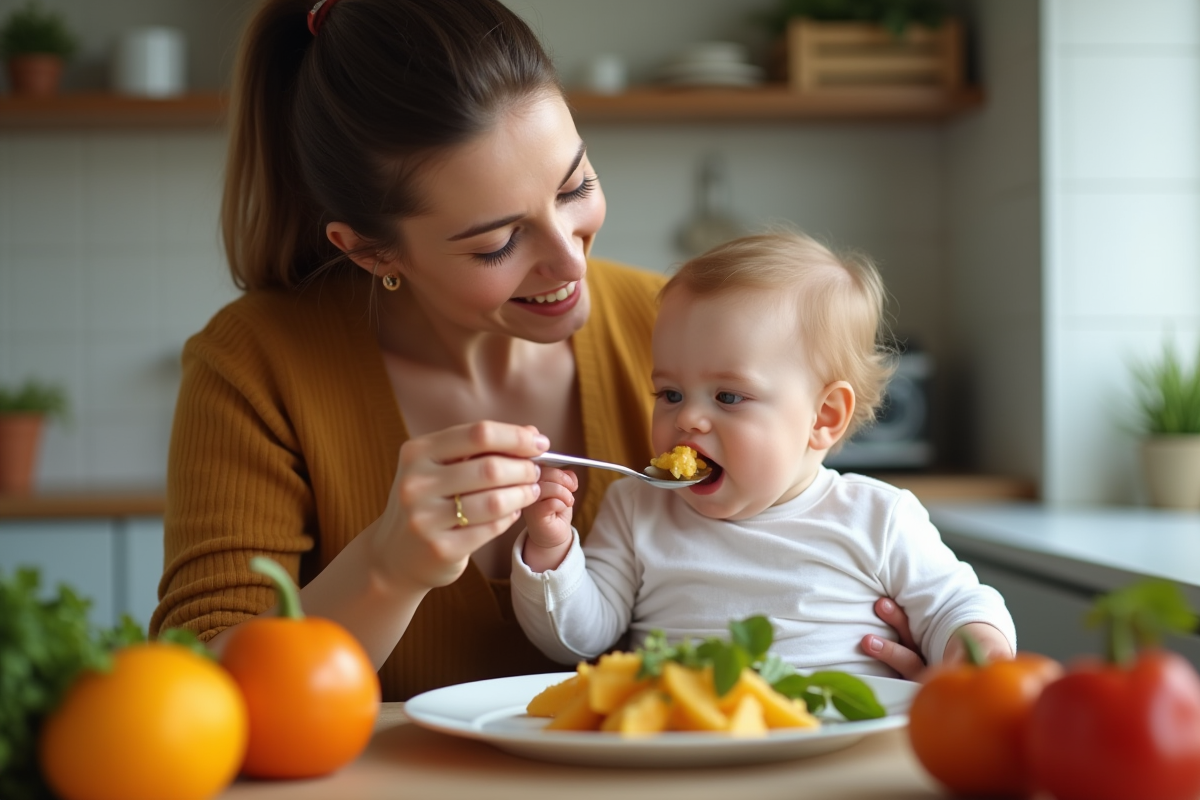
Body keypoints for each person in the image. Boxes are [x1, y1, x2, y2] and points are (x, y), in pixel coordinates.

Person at [149, 0, 924, 701]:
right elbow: (194, 691)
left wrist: (902, 655)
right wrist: (388, 567)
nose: (568, 260)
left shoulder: (676, 336)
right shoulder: (254, 364)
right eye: (497, 242)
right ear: (373, 253)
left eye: (575, 186)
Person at [512, 232, 1017, 675]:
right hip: (686, 745)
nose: (688, 419)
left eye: (728, 397)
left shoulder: (878, 517)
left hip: (837, 743)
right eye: (669, 394)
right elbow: (577, 641)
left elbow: (957, 605)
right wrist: (552, 550)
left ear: (823, 417)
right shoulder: (637, 509)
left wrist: (974, 650)